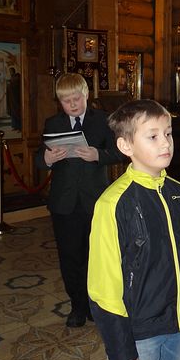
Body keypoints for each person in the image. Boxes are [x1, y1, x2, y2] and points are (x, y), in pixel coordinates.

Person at [88, 99, 180, 360]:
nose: (165, 142)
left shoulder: (178, 193)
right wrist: (120, 352)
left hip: (176, 324)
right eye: (152, 136)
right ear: (126, 146)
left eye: (168, 133)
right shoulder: (114, 203)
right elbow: (103, 286)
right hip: (138, 333)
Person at [35, 73, 122, 328]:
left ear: (86, 94)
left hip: (96, 200)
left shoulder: (103, 120)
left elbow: (119, 151)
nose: (72, 105)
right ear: (59, 101)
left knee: (97, 256)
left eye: (76, 98)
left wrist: (98, 155)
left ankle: (96, 304)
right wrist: (48, 159)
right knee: (70, 256)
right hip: (64, 203)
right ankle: (77, 305)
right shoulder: (53, 123)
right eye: (66, 101)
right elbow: (40, 159)